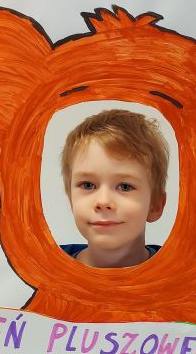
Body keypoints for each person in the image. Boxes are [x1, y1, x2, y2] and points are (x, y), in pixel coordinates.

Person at [60, 109, 168, 268]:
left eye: (125, 187)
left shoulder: (182, 273)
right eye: (88, 185)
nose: (103, 201)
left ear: (155, 205)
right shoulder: (42, 267)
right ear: (71, 199)